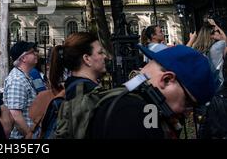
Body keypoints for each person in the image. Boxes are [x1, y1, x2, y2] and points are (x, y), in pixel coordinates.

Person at [88, 45, 216, 139]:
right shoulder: (139, 112)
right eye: (187, 102)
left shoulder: (125, 100)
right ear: (166, 79)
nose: (187, 113)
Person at [31, 32, 106, 138]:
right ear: (87, 59)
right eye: (100, 53)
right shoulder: (87, 94)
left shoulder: (69, 90)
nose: (105, 56)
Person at [3, 41, 38, 139]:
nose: (36, 53)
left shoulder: (25, 77)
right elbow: (15, 114)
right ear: (23, 58)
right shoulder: (17, 80)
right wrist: (29, 134)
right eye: (32, 52)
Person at [192, 20, 226, 89]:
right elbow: (224, 38)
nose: (219, 32)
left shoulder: (196, 49)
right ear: (211, 35)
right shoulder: (217, 47)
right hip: (216, 84)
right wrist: (215, 24)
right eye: (217, 31)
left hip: (201, 85)